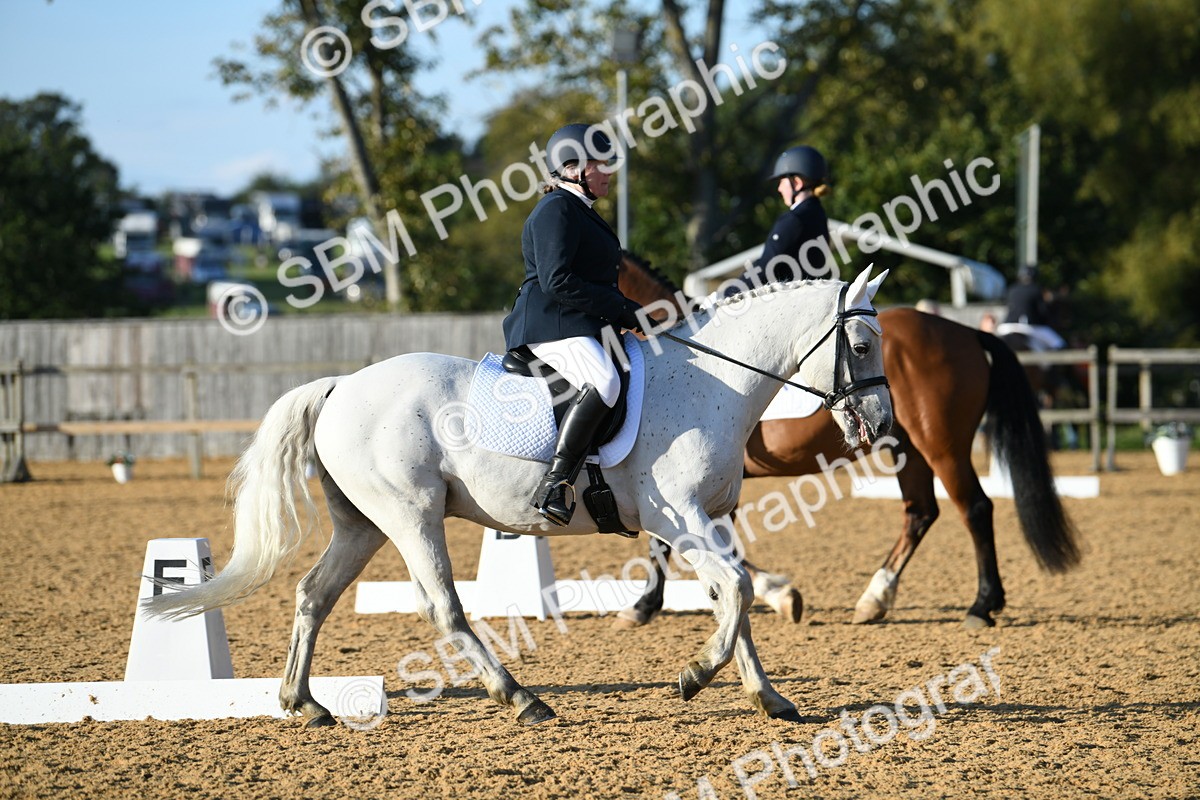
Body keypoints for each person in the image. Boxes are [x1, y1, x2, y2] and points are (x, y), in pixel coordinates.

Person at [502, 123, 645, 526]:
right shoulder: (557, 209)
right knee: (606, 382)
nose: (609, 172)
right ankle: (557, 482)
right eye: (602, 164)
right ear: (573, 167)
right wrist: (622, 309)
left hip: (576, 324)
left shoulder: (579, 210)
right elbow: (556, 280)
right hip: (550, 324)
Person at [732, 145, 833, 290]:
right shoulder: (819, 214)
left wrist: (728, 294)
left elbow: (766, 266)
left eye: (781, 181)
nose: (779, 188)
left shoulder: (795, 219)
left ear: (797, 183)